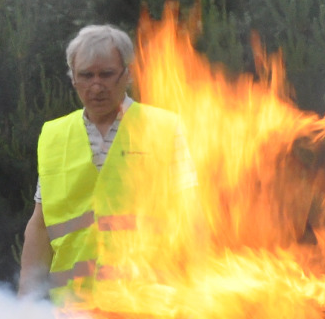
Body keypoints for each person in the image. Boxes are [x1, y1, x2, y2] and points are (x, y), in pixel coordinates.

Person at [19, 23, 194, 301]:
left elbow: (190, 216)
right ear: (73, 79)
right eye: (86, 76)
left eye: (107, 74)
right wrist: (25, 302)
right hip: (73, 312)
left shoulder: (164, 128)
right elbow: (40, 225)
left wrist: (198, 295)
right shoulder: (53, 136)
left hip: (147, 311)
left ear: (127, 74)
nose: (96, 86)